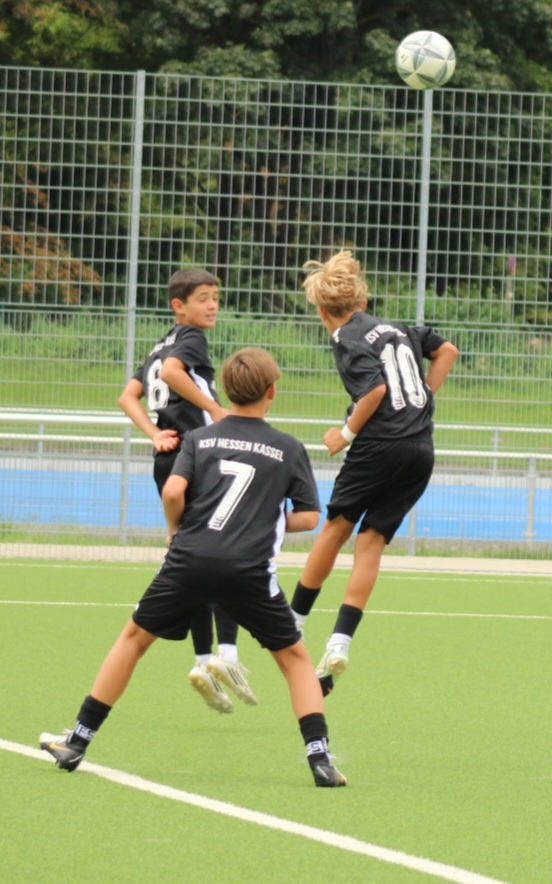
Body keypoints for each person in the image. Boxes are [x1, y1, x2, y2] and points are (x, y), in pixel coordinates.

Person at [41, 348, 346, 787]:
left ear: (226, 391)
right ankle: (319, 758)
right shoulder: (288, 448)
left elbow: (173, 493)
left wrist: (174, 530)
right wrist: (264, 517)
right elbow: (310, 518)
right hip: (248, 570)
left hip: (189, 559)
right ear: (272, 391)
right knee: (294, 659)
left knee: (133, 640)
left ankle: (77, 740)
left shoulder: (200, 439)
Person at [288, 251, 458, 693]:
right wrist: (424, 395)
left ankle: (293, 621)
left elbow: (375, 390)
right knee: (372, 542)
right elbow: (447, 350)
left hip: (379, 445)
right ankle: (340, 642)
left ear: (323, 312)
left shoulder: (345, 337)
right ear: (363, 302)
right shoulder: (398, 328)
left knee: (335, 529)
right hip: (420, 449)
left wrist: (344, 434)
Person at [116, 268, 251, 713]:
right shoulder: (189, 338)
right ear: (179, 306)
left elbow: (127, 397)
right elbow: (174, 373)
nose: (213, 305)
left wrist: (154, 433)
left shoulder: (160, 344)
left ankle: (201, 660)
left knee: (191, 555)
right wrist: (215, 409)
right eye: (204, 298)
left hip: (167, 458)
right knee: (225, 549)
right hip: (198, 455)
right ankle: (227, 655)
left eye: (216, 297)